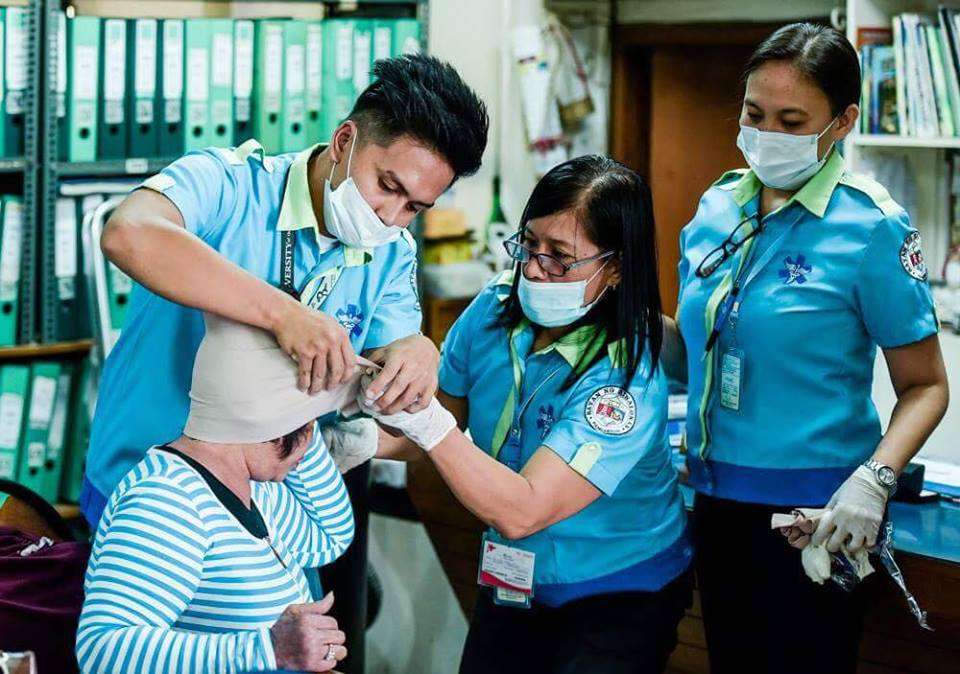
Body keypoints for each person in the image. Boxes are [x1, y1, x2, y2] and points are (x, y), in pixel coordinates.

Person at [80, 53, 489, 525]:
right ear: (344, 141)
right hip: (147, 491)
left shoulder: (392, 252)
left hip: (274, 513)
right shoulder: (229, 184)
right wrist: (282, 315)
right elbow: (128, 233)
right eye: (386, 185)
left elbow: (387, 355)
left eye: (414, 207)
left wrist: (416, 351)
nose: (390, 217)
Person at [662, 23, 949, 673]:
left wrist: (875, 481)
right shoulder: (718, 205)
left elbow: (927, 386)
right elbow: (702, 349)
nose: (767, 135)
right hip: (712, 497)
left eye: (792, 120)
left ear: (844, 120)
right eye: (754, 114)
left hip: (817, 513)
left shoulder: (871, 224)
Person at [356, 155, 693, 674]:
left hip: (616, 589)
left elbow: (523, 509)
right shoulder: (493, 310)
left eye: (560, 256)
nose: (534, 267)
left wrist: (424, 422)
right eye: (528, 244)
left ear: (615, 266)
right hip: (514, 581)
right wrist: (356, 440)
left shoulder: (625, 379)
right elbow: (435, 415)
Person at [76, 314, 356, 674]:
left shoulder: (251, 486)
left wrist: (297, 428)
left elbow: (330, 535)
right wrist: (269, 648)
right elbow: (102, 651)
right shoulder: (167, 502)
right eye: (309, 424)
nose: (312, 438)